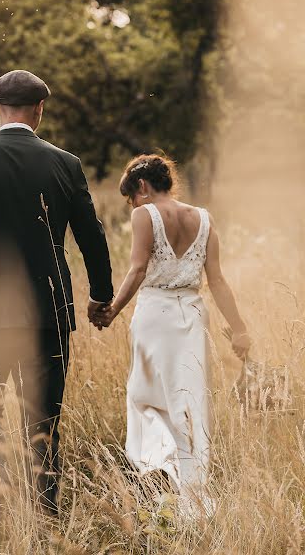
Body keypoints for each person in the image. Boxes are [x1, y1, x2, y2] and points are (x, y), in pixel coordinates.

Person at [0, 69, 113, 514]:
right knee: (44, 421)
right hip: (49, 312)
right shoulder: (65, 163)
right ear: (40, 110)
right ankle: (46, 517)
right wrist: (100, 293)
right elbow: (91, 234)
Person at [94, 153, 250, 512]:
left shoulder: (143, 214)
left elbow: (136, 270)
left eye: (131, 196)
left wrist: (112, 311)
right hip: (193, 317)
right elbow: (219, 281)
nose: (132, 203)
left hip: (155, 316)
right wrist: (239, 329)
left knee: (146, 399)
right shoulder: (205, 219)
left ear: (143, 187)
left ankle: (161, 485)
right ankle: (192, 497)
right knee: (189, 403)